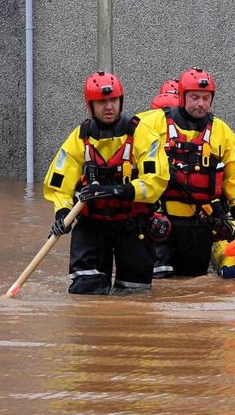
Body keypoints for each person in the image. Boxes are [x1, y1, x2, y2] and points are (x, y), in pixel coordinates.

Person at [42, 71, 170, 294]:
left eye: (113, 100)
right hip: (92, 225)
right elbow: (58, 184)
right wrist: (62, 213)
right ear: (90, 106)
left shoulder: (143, 134)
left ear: (121, 101)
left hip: (133, 224)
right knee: (85, 291)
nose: (109, 106)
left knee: (134, 296)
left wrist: (116, 191)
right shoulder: (79, 138)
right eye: (101, 101)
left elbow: (156, 180)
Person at [138, 67, 235, 278]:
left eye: (206, 98)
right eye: (195, 97)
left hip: (200, 224)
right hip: (159, 221)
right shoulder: (152, 123)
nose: (201, 103)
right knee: (159, 284)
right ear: (182, 97)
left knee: (194, 283)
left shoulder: (222, 131)